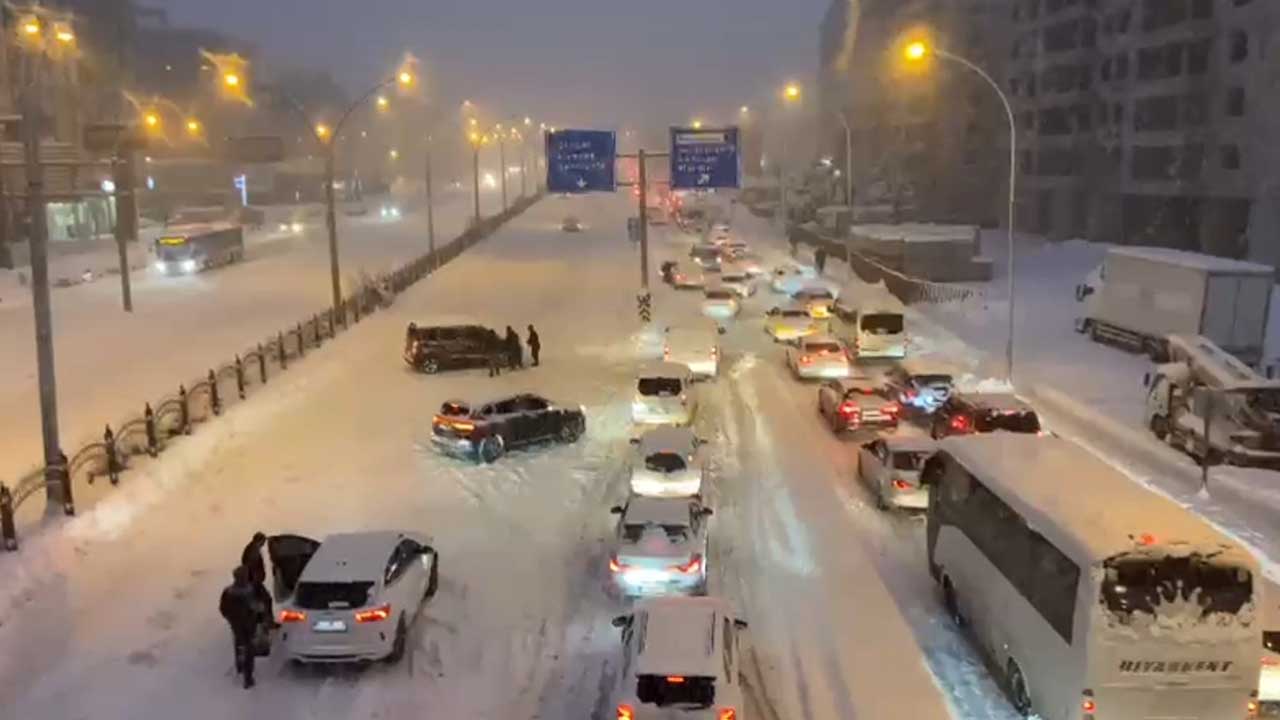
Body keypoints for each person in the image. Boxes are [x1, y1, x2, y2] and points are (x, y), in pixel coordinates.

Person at [219, 565, 260, 689]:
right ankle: (248, 677)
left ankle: (240, 666)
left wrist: (230, 618)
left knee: (239, 643)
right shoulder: (250, 591)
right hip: (249, 623)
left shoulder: (228, 592)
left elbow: (223, 608)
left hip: (236, 623)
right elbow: (256, 607)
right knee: (249, 648)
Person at [240, 532, 274, 626]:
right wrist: (256, 580)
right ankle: (268, 622)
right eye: (263, 541)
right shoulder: (253, 550)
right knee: (266, 599)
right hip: (254, 582)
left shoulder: (251, 548)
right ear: (259, 540)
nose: (264, 544)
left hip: (252, 581)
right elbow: (252, 566)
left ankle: (261, 622)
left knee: (259, 602)